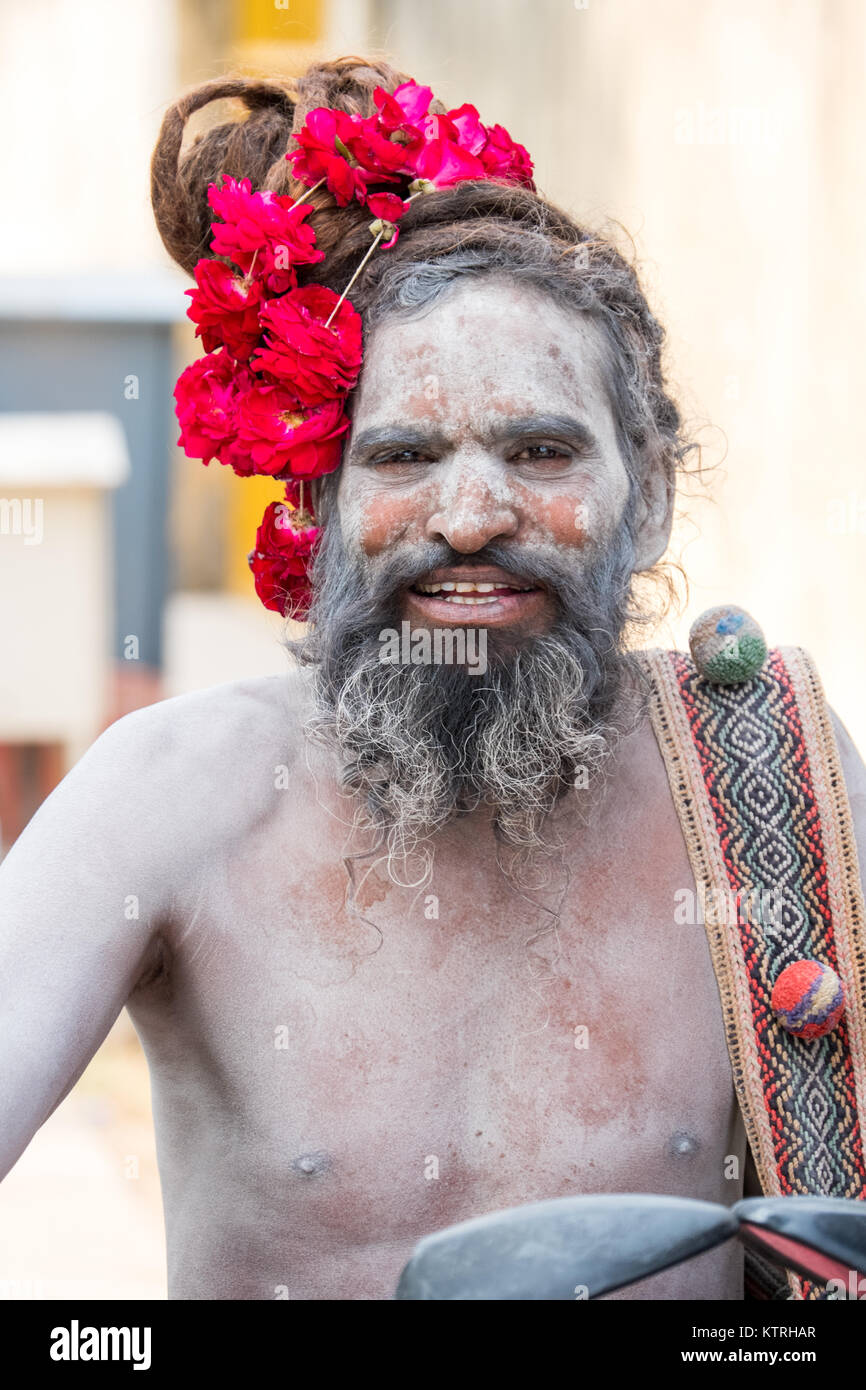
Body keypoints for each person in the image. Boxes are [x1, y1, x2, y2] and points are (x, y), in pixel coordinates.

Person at [1, 57, 864, 1302]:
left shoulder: (763, 778)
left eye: (540, 449)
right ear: (314, 495)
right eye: (403, 453)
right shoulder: (172, 795)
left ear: (651, 492)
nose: (468, 514)